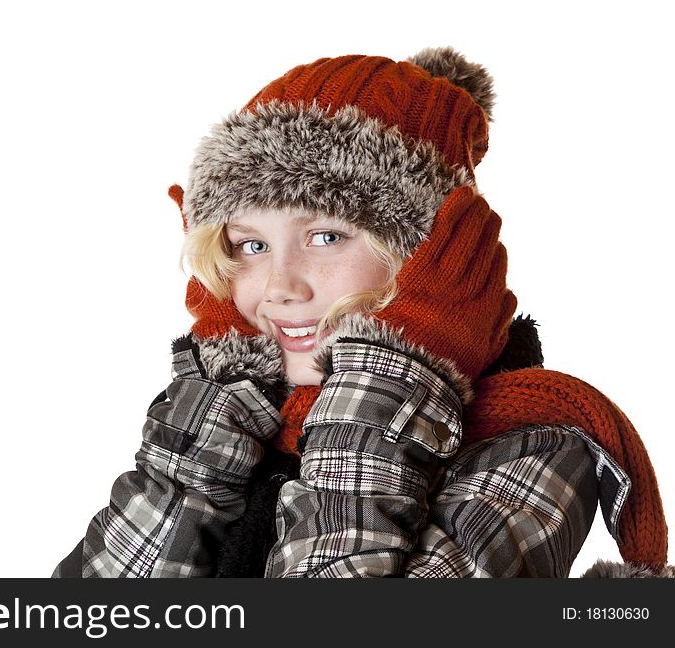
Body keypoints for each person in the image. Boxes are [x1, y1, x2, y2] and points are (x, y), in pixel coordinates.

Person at [53, 47, 671, 578]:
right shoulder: (244, 414)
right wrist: (214, 406)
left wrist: (391, 378)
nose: (278, 288)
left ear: (433, 251)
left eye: (326, 237)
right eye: (250, 245)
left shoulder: (536, 447)